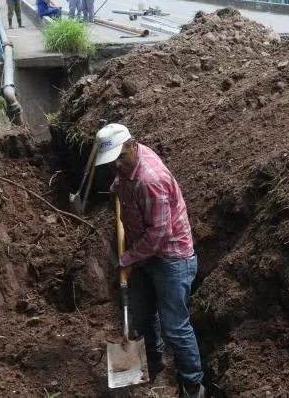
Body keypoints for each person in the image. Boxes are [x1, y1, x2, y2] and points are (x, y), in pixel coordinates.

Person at [95, 123, 204, 398]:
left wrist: (128, 258)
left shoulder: (149, 180)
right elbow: (124, 176)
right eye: (112, 162)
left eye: (120, 158)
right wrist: (118, 185)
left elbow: (159, 235)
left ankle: (192, 386)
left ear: (132, 144)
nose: (116, 165)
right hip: (145, 249)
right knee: (143, 313)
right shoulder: (130, 165)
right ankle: (153, 363)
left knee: (175, 327)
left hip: (170, 257)